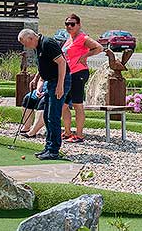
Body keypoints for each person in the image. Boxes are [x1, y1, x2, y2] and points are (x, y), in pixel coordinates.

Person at [18, 29, 71, 160]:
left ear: (31, 38)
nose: (26, 46)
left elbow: (62, 63)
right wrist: (36, 78)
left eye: (25, 43)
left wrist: (60, 85)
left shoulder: (48, 43)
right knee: (47, 115)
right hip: (50, 82)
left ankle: (54, 150)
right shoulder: (39, 46)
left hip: (58, 82)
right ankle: (48, 147)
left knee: (53, 116)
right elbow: (43, 65)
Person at [61, 14, 103, 143]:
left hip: (79, 73)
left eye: (72, 24)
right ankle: (67, 132)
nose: (69, 26)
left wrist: (85, 56)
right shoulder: (69, 39)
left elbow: (99, 48)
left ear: (79, 25)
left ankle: (79, 135)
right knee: (63, 105)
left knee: (77, 104)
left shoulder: (82, 37)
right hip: (69, 74)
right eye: (67, 24)